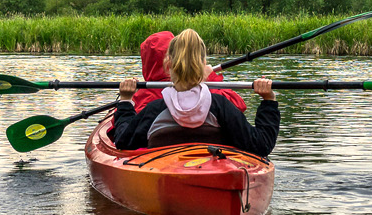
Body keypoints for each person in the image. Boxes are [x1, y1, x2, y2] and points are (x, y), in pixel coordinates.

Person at [112, 29, 280, 157]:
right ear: (204, 65)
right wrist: (268, 101)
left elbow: (123, 141)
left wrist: (126, 101)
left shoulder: (155, 109)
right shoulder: (220, 106)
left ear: (168, 66)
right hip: (215, 171)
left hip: (165, 170)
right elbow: (261, 145)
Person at [130, 30, 247, 113]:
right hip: (206, 145)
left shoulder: (142, 96)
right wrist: (208, 78)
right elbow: (239, 105)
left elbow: (119, 126)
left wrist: (127, 98)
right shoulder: (198, 88)